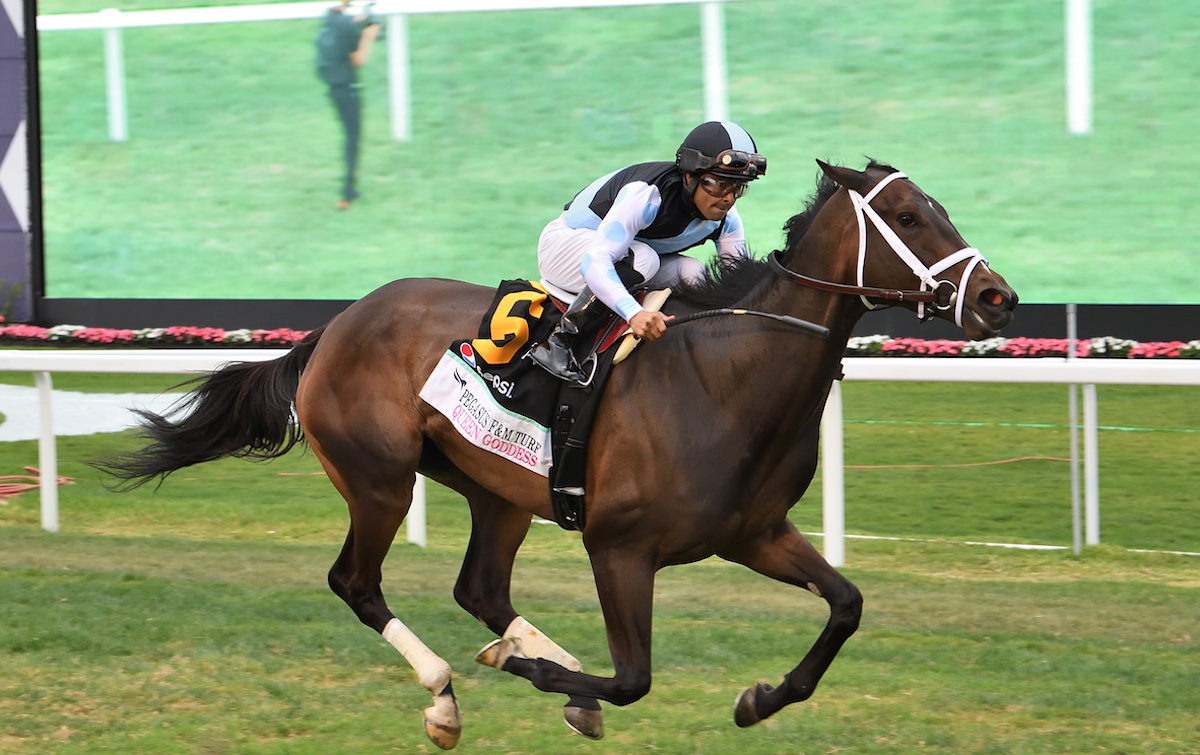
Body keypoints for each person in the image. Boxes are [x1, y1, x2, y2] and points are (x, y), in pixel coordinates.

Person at [529, 120, 767, 382]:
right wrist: (635, 314)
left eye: (738, 188)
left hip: (626, 256)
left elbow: (739, 283)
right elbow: (595, 261)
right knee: (644, 259)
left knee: (696, 274)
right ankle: (559, 341)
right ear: (690, 176)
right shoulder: (647, 195)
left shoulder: (727, 219)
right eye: (719, 184)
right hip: (565, 248)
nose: (728, 198)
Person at [315, 0, 381, 210]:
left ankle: (349, 188)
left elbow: (343, 22)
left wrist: (359, 21)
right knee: (353, 138)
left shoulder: (330, 19)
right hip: (348, 89)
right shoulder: (347, 28)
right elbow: (358, 59)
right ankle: (347, 191)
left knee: (349, 136)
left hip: (333, 89)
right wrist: (369, 36)